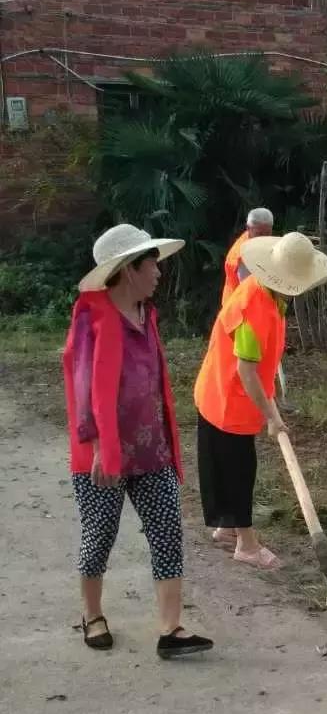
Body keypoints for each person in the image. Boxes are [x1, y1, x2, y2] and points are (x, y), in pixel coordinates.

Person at [62, 224, 213, 659]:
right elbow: (84, 385)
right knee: (99, 536)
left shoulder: (146, 315)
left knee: (168, 534)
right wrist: (95, 448)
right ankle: (92, 614)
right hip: (102, 453)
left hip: (152, 450)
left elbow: (154, 384)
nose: (159, 274)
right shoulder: (92, 314)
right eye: (153, 265)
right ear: (129, 270)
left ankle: (171, 628)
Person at [195, 232, 327, 569]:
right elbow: (246, 371)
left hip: (223, 393)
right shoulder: (254, 306)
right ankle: (246, 544)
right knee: (239, 470)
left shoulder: (267, 294)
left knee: (226, 464)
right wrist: (272, 417)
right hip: (228, 398)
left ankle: (226, 527)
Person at [221, 207, 274, 306]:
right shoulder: (243, 255)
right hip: (239, 308)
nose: (264, 238)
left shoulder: (254, 241)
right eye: (259, 234)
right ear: (248, 228)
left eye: (268, 233)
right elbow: (250, 291)